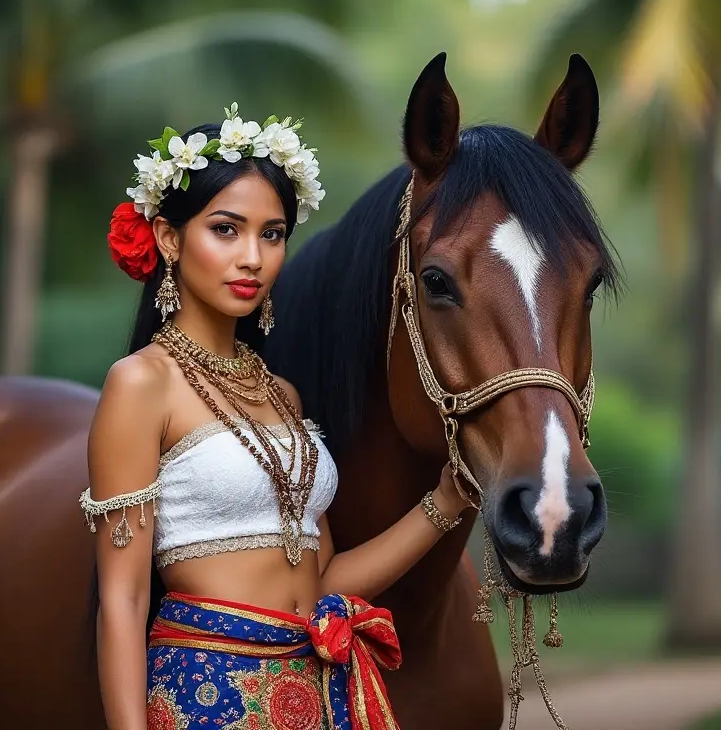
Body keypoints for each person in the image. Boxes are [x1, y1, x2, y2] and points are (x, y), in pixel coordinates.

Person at [80, 103, 470, 730]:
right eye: (226, 229)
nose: (253, 258)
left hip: (313, 691)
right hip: (207, 695)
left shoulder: (282, 394)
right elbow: (122, 599)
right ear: (169, 237)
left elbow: (325, 578)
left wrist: (445, 505)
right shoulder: (141, 385)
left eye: (273, 233)